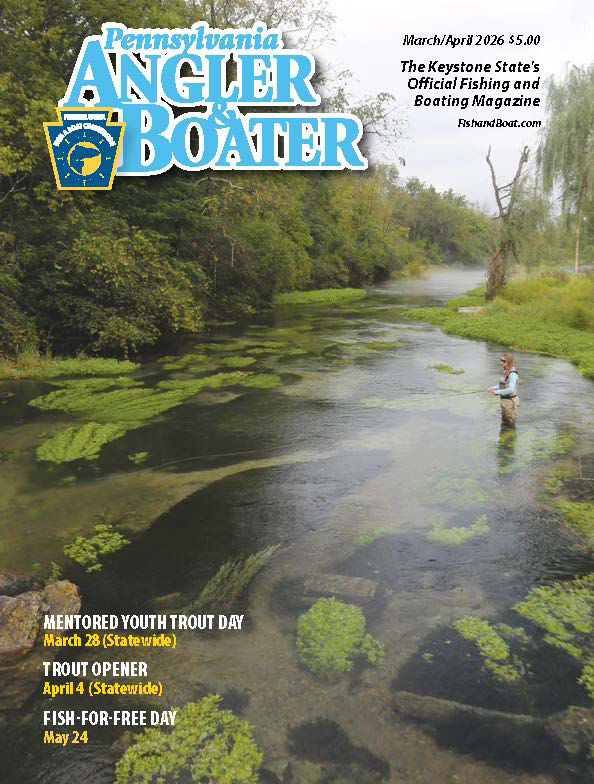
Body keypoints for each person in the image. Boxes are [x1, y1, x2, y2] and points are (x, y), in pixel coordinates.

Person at [487, 352, 519, 427]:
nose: (501, 362)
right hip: (505, 402)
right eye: (501, 360)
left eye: (503, 361)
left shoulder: (512, 374)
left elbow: (510, 389)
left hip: (510, 402)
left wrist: (497, 392)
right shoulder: (506, 371)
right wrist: (492, 388)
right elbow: (503, 385)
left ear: (509, 362)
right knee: (505, 423)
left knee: (509, 425)